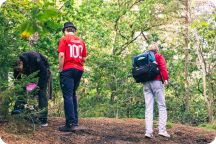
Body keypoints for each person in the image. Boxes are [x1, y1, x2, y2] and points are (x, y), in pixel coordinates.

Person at [58, 22, 87, 132]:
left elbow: (61, 55)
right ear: (74, 30)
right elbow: (84, 58)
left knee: (68, 96)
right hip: (79, 70)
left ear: (65, 30)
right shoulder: (81, 41)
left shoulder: (64, 39)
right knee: (73, 94)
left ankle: (70, 123)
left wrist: (61, 68)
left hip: (68, 69)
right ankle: (74, 121)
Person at [13, 51, 51, 126]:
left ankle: (43, 119)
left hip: (43, 71)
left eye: (19, 69)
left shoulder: (34, 57)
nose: (19, 71)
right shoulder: (16, 64)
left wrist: (39, 86)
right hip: (32, 73)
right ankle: (18, 110)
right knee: (22, 88)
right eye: (17, 70)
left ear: (21, 63)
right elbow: (17, 80)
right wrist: (19, 89)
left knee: (41, 92)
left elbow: (44, 73)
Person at [143, 43, 170, 138]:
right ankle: (162, 130)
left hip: (146, 83)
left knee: (148, 107)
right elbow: (163, 67)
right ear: (156, 50)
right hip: (157, 82)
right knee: (161, 105)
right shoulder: (158, 56)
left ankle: (148, 132)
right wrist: (166, 79)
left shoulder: (144, 57)